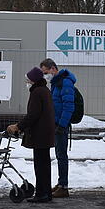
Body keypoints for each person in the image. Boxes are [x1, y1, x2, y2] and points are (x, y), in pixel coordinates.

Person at [7, 67, 56, 203]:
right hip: (46, 133)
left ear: (34, 80)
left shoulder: (37, 92)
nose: (27, 82)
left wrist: (18, 126)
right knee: (45, 165)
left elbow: (33, 115)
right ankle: (46, 192)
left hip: (40, 134)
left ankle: (41, 194)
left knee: (40, 165)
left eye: (28, 79)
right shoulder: (45, 91)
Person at [39, 58, 76, 198]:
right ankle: (61, 183)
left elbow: (68, 106)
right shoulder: (56, 82)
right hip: (56, 123)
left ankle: (64, 187)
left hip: (61, 124)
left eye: (46, 72)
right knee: (59, 155)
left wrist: (62, 124)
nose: (45, 75)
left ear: (53, 69)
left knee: (62, 155)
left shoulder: (64, 82)